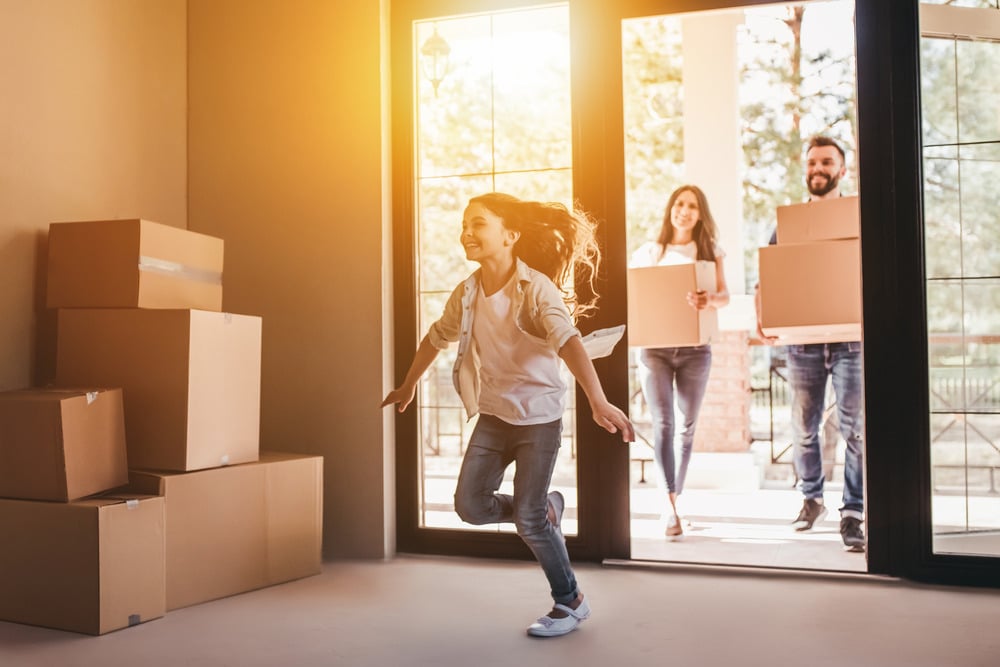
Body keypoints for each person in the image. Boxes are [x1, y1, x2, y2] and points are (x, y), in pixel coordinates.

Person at [382, 192, 635, 637]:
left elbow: (569, 341)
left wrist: (597, 400)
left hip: (539, 418)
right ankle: (541, 509)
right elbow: (435, 337)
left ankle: (570, 601)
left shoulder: (536, 288)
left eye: (479, 223)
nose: (467, 232)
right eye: (465, 224)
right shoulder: (466, 292)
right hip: (495, 416)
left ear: (510, 235)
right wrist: (408, 385)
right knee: (469, 506)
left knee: (529, 523)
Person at [755, 135, 866, 552]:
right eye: (812, 163)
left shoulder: (856, 217)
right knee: (804, 428)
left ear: (841, 169)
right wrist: (763, 318)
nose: (818, 169)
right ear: (805, 169)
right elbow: (767, 276)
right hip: (801, 343)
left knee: (856, 430)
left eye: (826, 162)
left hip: (850, 340)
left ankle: (853, 511)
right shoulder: (787, 224)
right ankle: (811, 499)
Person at [630, 185, 730, 540]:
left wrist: (709, 299)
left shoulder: (709, 251)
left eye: (692, 206)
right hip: (655, 350)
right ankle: (668, 506)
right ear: (670, 209)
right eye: (679, 204)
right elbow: (636, 294)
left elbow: (724, 296)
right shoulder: (649, 252)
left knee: (686, 427)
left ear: (700, 214)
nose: (684, 210)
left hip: (694, 350)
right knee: (663, 424)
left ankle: (675, 499)